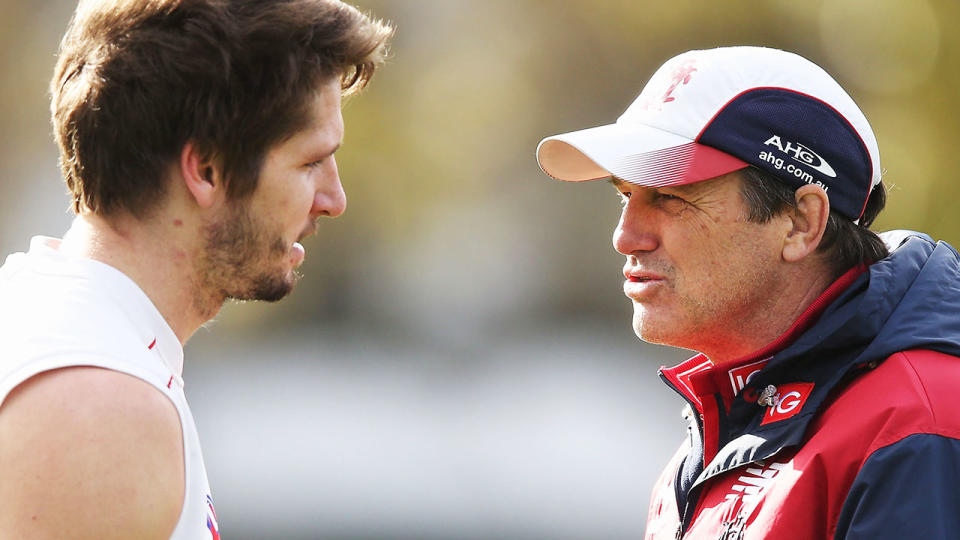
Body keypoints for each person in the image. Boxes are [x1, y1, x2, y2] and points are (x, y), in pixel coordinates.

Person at [0, 1, 391, 537]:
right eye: (310, 162)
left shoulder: (70, 330)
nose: (334, 199)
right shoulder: (98, 404)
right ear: (206, 169)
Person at [535, 46, 960, 539]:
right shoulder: (721, 430)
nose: (625, 237)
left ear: (801, 222)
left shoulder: (922, 424)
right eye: (627, 195)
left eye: (670, 196)